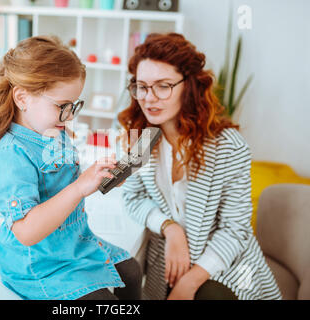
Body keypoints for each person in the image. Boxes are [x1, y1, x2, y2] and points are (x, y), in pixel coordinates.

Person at [0, 36, 142, 300]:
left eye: (73, 106)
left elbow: (64, 188)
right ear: (22, 98)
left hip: (72, 244)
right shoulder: (10, 155)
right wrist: (79, 187)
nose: (70, 116)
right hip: (40, 264)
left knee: (131, 271)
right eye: (62, 106)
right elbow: (26, 232)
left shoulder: (53, 132)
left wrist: (97, 180)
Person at [118, 33, 281, 300]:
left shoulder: (228, 146)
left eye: (163, 86)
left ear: (189, 86)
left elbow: (235, 229)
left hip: (223, 264)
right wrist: (171, 228)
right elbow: (133, 196)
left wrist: (191, 281)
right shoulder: (140, 138)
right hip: (169, 263)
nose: (149, 98)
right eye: (142, 86)